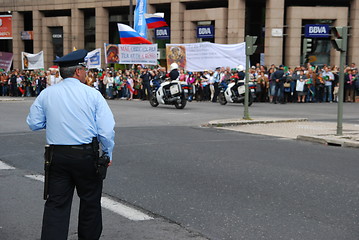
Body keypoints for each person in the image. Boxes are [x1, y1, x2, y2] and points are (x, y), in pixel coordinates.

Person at [26, 49, 115, 240]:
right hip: (85, 156)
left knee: (56, 204)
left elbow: (33, 123)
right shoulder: (92, 94)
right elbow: (106, 131)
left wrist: (54, 121)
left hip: (57, 156)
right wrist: (107, 153)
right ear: (78, 72)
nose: (86, 72)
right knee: (90, 202)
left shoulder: (47, 94)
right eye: (84, 69)